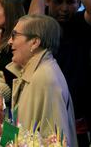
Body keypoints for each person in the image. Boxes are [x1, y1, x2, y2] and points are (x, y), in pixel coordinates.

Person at [29, 0, 91, 147]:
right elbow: (32, 24)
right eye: (58, 1)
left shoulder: (82, 23)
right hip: (43, 114)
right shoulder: (45, 26)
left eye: (70, 2)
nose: (64, 8)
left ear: (79, 3)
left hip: (78, 118)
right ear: (48, 0)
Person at [6, 14, 77, 147]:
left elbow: (56, 142)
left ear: (35, 42)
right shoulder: (37, 72)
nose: (10, 41)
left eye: (15, 35)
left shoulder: (45, 78)